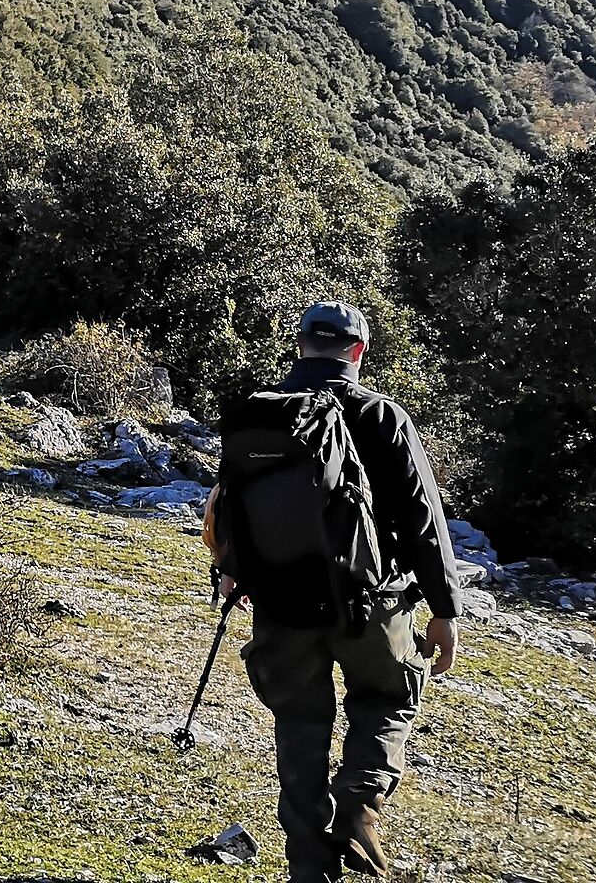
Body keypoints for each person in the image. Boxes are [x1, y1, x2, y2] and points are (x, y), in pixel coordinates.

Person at [206, 302, 460, 881]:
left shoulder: (261, 413)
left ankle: (308, 869)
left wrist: (230, 572)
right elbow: (423, 519)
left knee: (299, 728)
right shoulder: (382, 415)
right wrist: (444, 611)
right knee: (389, 699)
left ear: (299, 345)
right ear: (358, 350)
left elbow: (230, 506)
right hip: (370, 604)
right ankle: (359, 805)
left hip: (282, 604)